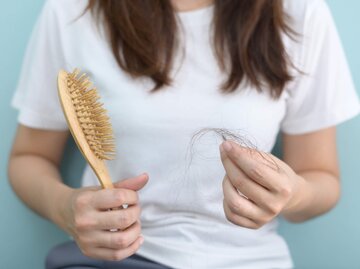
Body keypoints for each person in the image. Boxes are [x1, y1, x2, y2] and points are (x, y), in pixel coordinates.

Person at [8, 0, 360, 268]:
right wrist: (64, 208)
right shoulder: (73, 10)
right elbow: (30, 157)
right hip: (120, 258)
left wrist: (292, 195)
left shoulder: (298, 11)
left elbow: (322, 177)